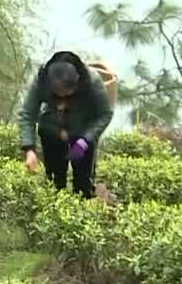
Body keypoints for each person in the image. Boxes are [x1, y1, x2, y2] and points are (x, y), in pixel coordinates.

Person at [17, 49, 114, 198]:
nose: (61, 95)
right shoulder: (41, 79)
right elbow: (27, 114)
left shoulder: (92, 81)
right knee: (55, 183)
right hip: (52, 130)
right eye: (57, 92)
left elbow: (105, 114)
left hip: (81, 132)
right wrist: (29, 149)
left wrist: (85, 140)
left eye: (66, 91)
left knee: (83, 185)